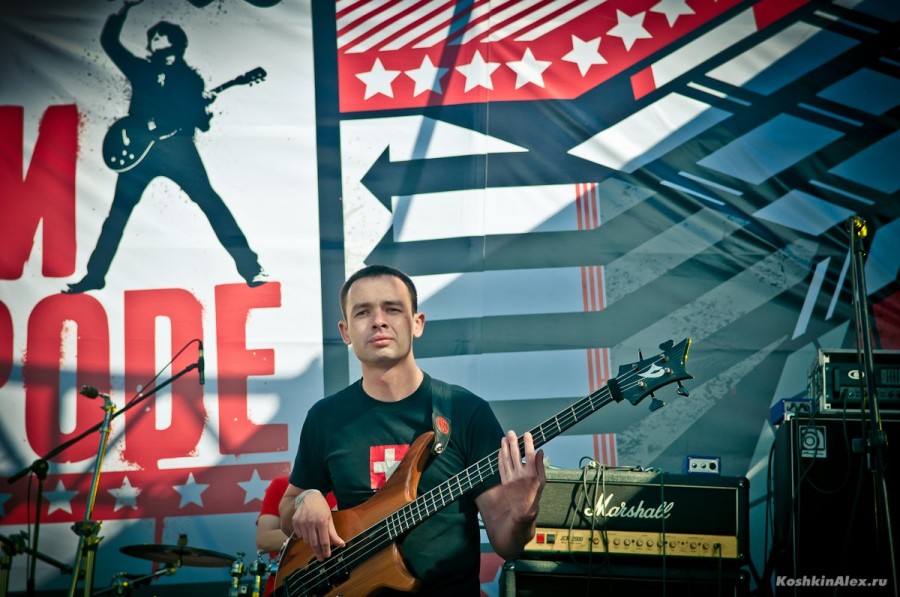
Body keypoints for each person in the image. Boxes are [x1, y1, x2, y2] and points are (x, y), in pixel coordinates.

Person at [278, 264, 546, 595]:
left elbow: (507, 545)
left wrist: (523, 514)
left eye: (392, 309)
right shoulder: (325, 418)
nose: (378, 321)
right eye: (363, 312)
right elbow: (287, 511)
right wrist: (305, 499)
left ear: (417, 323)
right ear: (345, 332)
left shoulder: (465, 412)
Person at [65, 0, 265, 293]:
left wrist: (203, 107)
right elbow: (110, 43)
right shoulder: (141, 70)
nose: (154, 41)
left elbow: (200, 124)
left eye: (160, 36)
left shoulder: (191, 80)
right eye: (153, 38)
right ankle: (94, 276)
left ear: (175, 43)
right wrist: (124, 8)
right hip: (140, 152)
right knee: (117, 215)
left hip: (179, 150)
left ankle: (251, 269)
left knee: (211, 203)